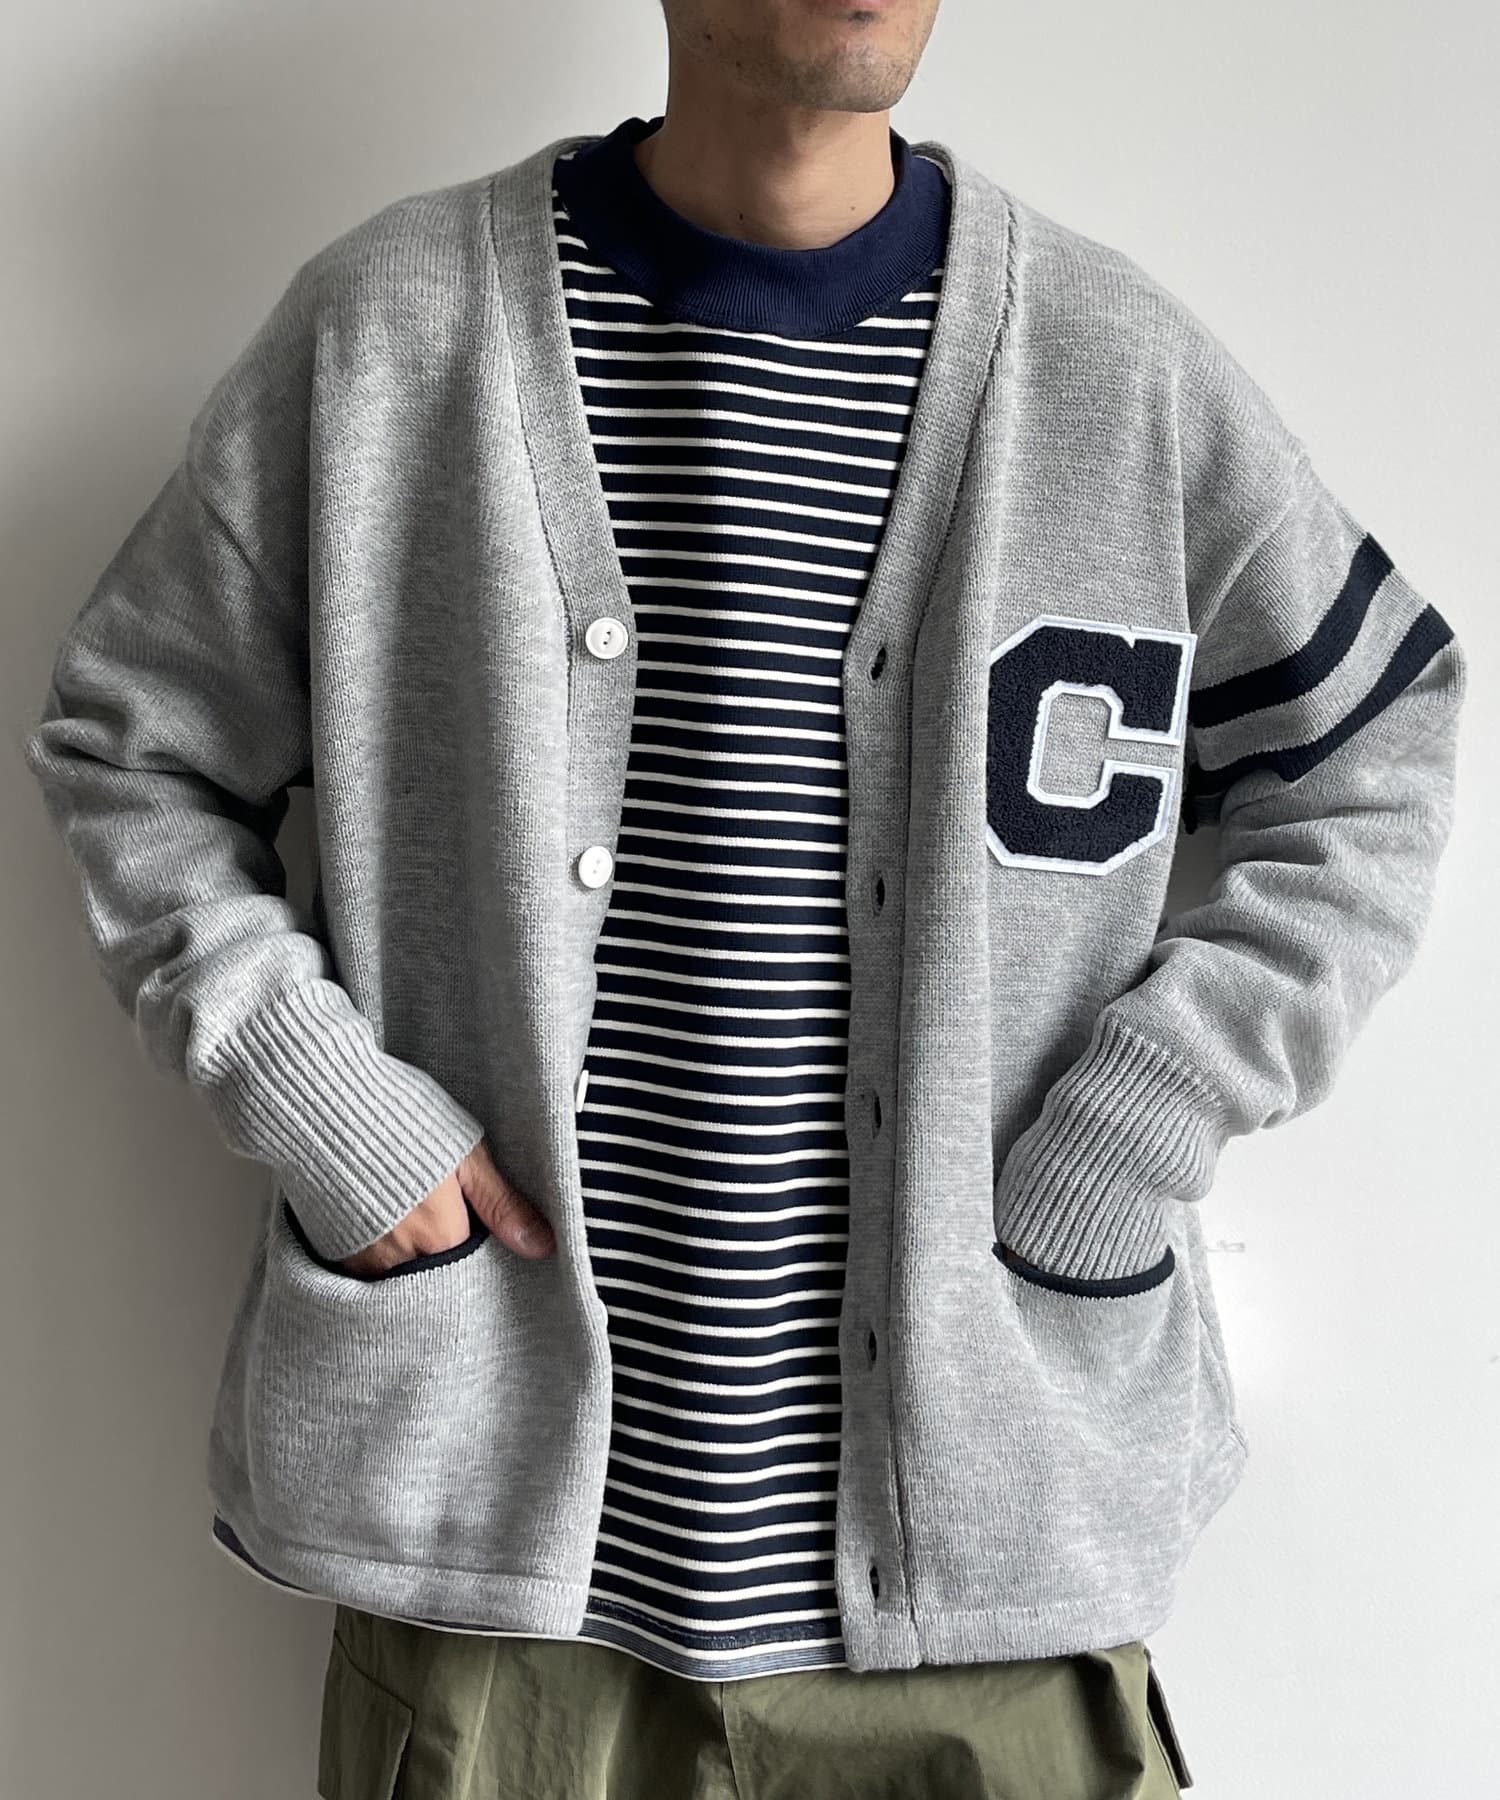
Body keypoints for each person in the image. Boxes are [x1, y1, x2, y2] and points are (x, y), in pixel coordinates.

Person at [22, 1, 1465, 1795]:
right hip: (510, 1616)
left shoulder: (1116, 377)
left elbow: (1376, 749)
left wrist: (1143, 1118)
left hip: (990, 1593)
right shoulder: (393, 335)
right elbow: (132, 742)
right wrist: (329, 1107)